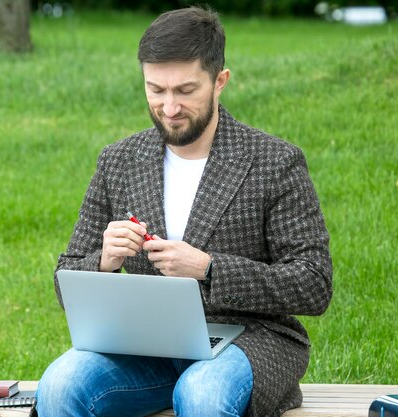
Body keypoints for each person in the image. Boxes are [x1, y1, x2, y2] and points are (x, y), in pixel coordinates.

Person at [33, 6, 333, 417]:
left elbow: (314, 283)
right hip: (144, 344)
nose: (169, 107)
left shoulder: (274, 161)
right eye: (156, 89)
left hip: (250, 340)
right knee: (59, 386)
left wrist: (210, 268)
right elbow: (64, 279)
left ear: (219, 81)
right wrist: (102, 261)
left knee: (202, 395)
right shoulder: (118, 161)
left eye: (185, 91)